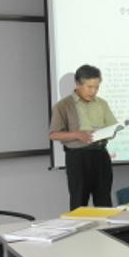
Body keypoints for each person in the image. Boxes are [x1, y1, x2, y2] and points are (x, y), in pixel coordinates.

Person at [49, 64, 117, 209]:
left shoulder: (102, 104)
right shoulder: (63, 105)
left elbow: (112, 126)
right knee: (79, 202)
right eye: (89, 87)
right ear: (78, 84)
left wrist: (111, 131)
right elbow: (54, 134)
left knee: (104, 201)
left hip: (100, 155)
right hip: (78, 158)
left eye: (96, 87)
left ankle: (106, 231)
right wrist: (77, 134)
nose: (93, 91)